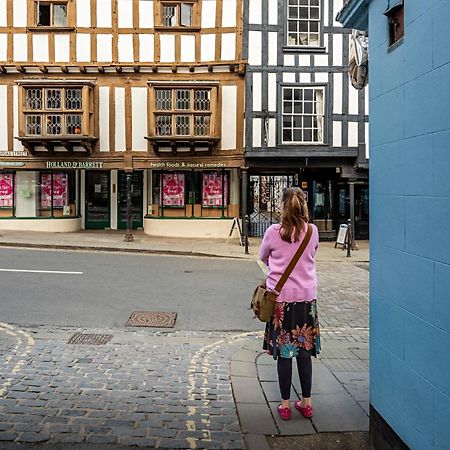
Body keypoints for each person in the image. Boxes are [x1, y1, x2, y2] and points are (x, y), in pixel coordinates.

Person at [259, 187, 320, 421]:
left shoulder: (274, 232)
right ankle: (306, 403)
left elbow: (263, 256)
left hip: (281, 301)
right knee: (304, 353)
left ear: (282, 205)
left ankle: (284, 405)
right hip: (306, 300)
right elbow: (312, 253)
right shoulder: (312, 231)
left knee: (285, 354)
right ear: (304, 205)